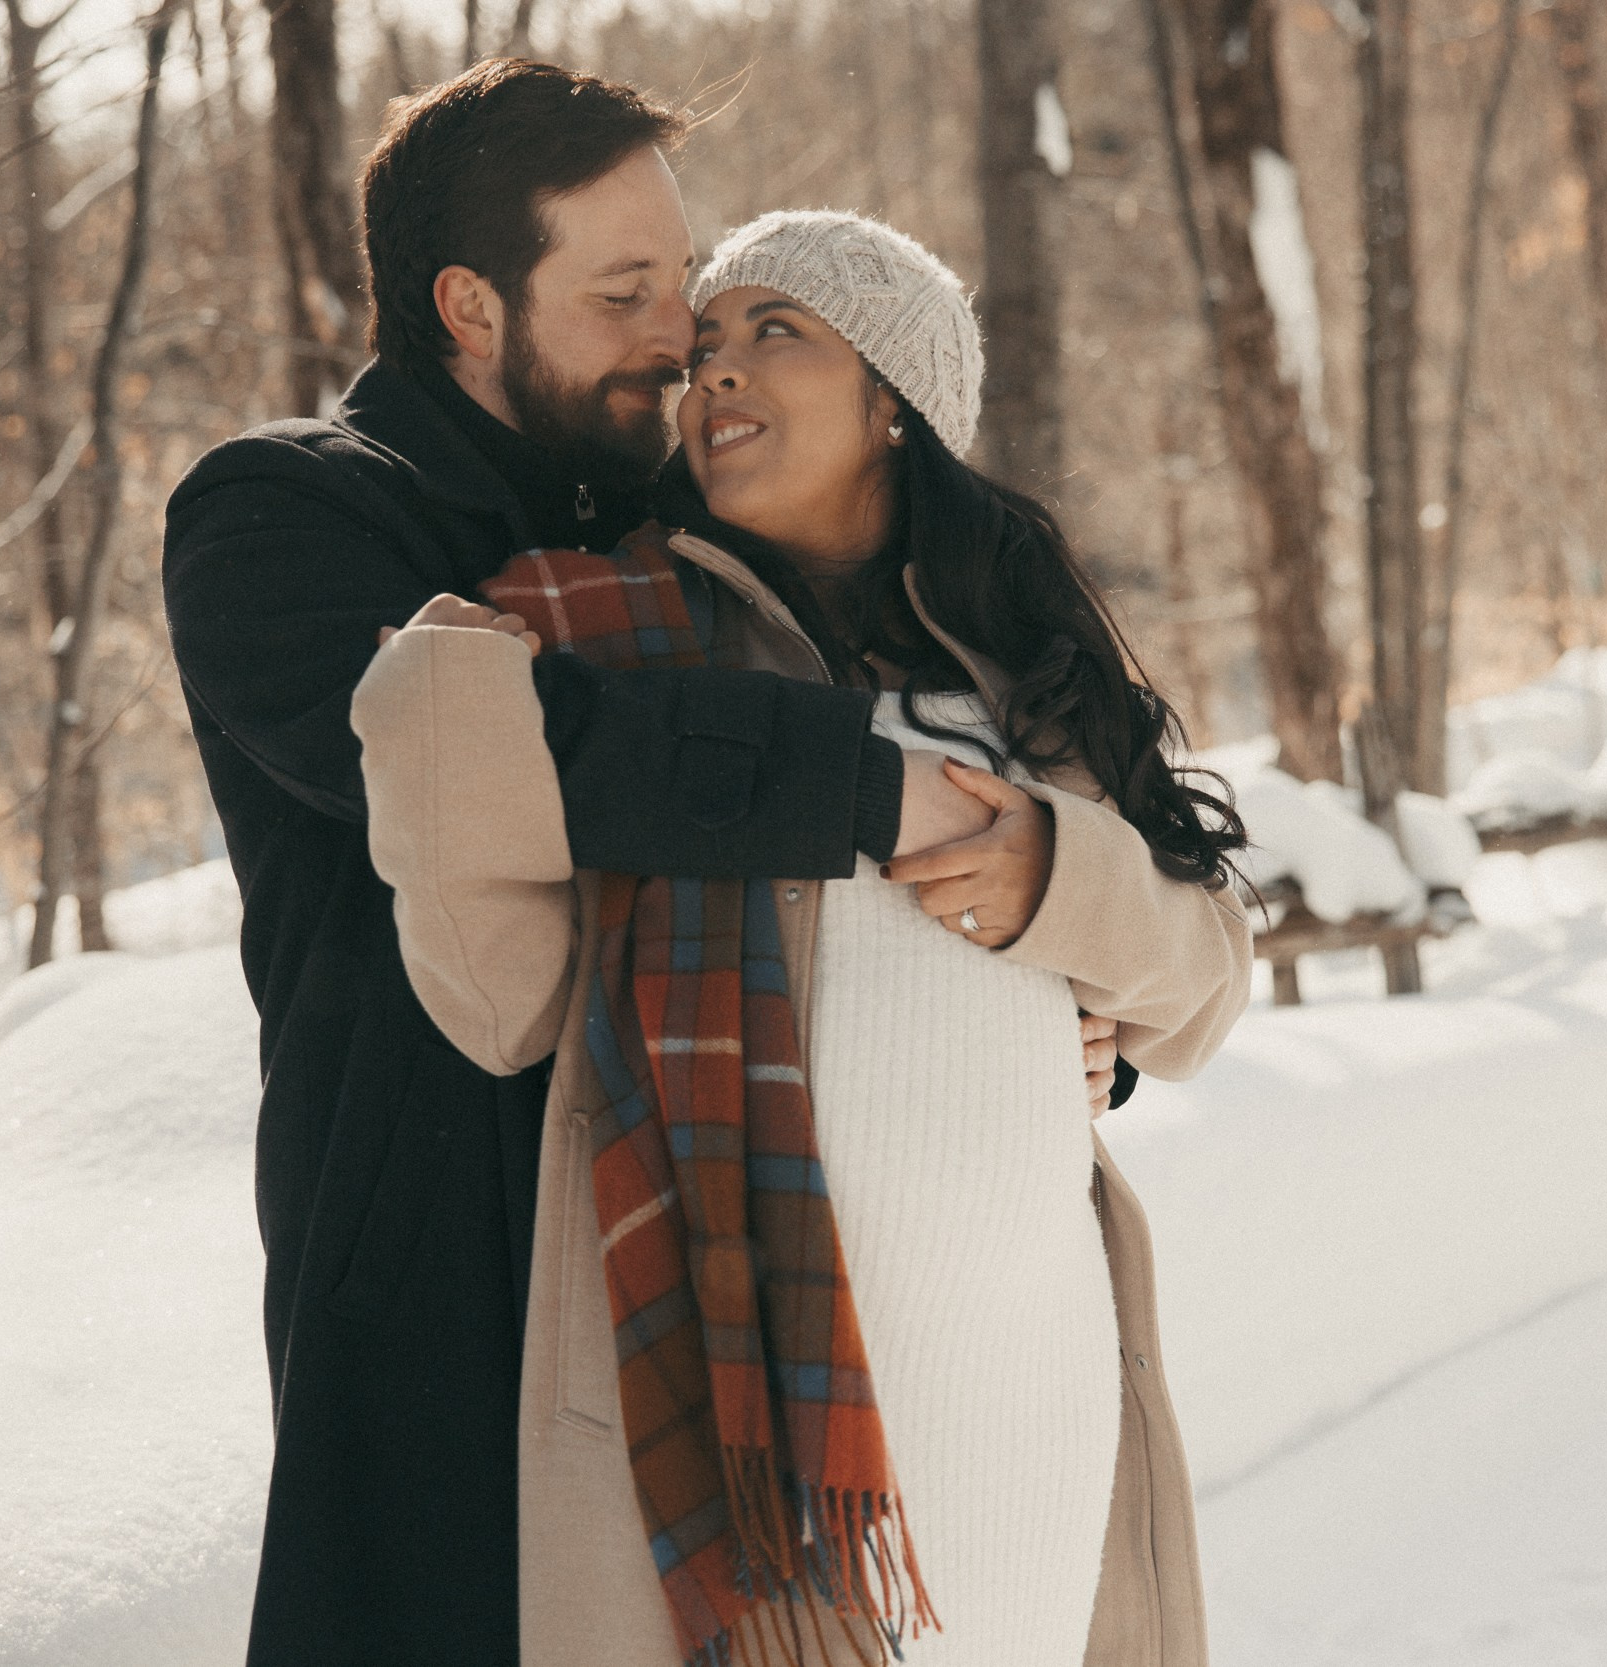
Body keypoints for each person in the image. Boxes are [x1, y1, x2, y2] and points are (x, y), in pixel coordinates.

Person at [160, 62, 1026, 1667]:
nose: (676, 334)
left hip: (717, 1251)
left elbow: (935, 737)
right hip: (443, 1285)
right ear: (471, 308)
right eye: (624, 291)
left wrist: (1031, 1015)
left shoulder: (687, 511)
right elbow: (530, 759)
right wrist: (869, 792)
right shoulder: (282, 521)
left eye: (683, 285)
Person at [351, 211, 1252, 1665]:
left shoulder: (1021, 679)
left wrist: (1053, 880)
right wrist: (430, 702)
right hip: (755, 1404)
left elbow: (1204, 986)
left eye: (780, 332)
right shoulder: (612, 644)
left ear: (894, 402)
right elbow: (498, 1002)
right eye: (703, 347)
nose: (717, 373)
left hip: (1034, 1372)